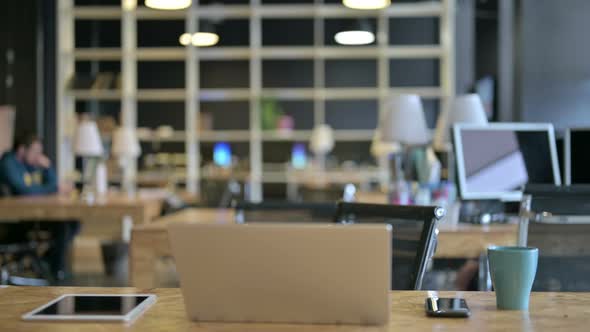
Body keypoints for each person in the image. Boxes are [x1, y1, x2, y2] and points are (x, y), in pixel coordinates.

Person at [0, 133, 79, 281]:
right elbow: (26, 191)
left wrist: (48, 167)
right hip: (12, 222)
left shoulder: (24, 165)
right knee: (63, 226)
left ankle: (48, 262)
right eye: (35, 151)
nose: (38, 156)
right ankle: (55, 269)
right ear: (22, 150)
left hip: (27, 216)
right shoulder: (8, 164)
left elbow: (41, 187)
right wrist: (54, 187)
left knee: (72, 222)